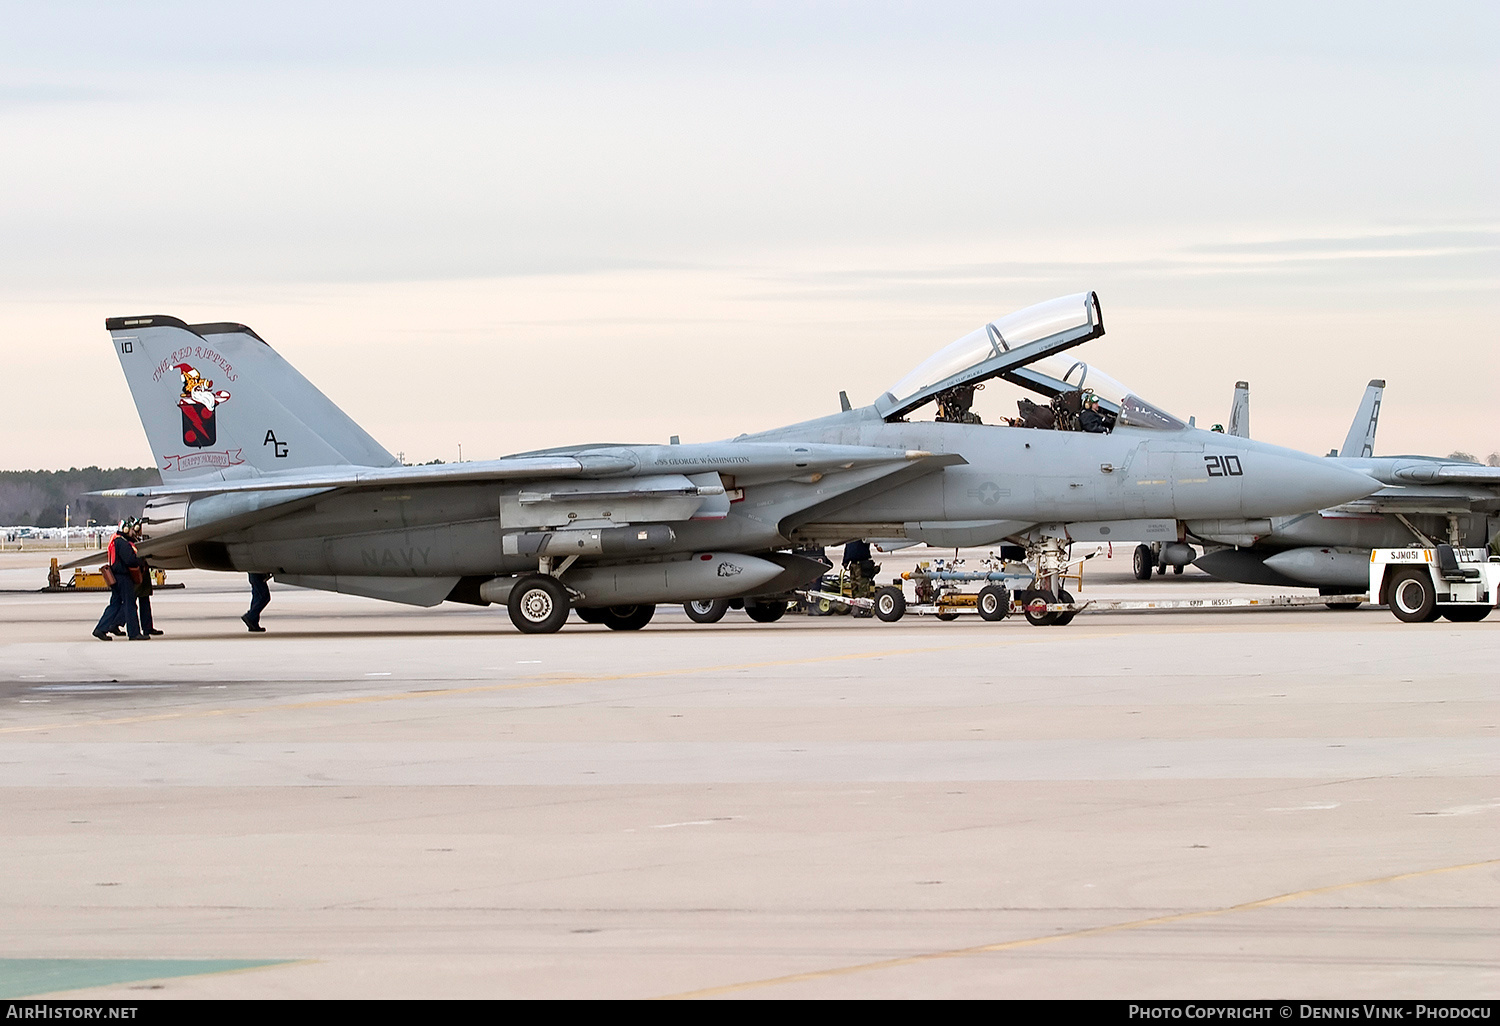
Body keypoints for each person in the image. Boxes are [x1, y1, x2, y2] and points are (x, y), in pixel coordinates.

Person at [94, 518, 146, 641]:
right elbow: (130, 560)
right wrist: (140, 561)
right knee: (130, 605)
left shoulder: (116, 541)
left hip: (116, 577)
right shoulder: (122, 543)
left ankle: (101, 629)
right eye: (132, 530)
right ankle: (134, 633)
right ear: (126, 529)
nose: (134, 532)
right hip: (123, 577)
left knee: (115, 604)